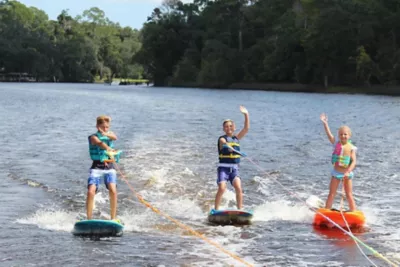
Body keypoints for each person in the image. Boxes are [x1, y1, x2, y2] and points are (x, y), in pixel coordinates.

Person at [214, 106, 250, 210]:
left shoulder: (236, 138)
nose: (228, 128)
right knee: (222, 188)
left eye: (230, 126)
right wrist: (231, 148)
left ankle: (239, 209)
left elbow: (246, 128)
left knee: (238, 188)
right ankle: (215, 210)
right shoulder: (222, 139)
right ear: (223, 128)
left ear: (234, 128)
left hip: (234, 168)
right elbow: (224, 144)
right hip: (223, 168)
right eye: (226, 126)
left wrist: (246, 114)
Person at [87, 115, 121, 221]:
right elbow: (99, 143)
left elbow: (115, 137)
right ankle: (89, 219)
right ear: (97, 126)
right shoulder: (92, 137)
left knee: (113, 190)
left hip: (109, 166)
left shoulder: (109, 134)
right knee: (91, 191)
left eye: (107, 127)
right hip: (97, 166)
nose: (105, 129)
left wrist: (106, 134)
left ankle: (113, 218)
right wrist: (109, 148)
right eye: (103, 127)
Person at [320, 113, 357, 211]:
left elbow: (353, 162)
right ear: (338, 135)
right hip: (336, 173)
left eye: (345, 134)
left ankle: (354, 212)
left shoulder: (351, 148)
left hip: (347, 174)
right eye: (341, 134)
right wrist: (325, 123)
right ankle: (327, 210)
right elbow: (329, 134)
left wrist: (348, 171)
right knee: (332, 193)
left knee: (349, 194)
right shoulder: (336, 143)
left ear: (349, 136)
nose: (343, 136)